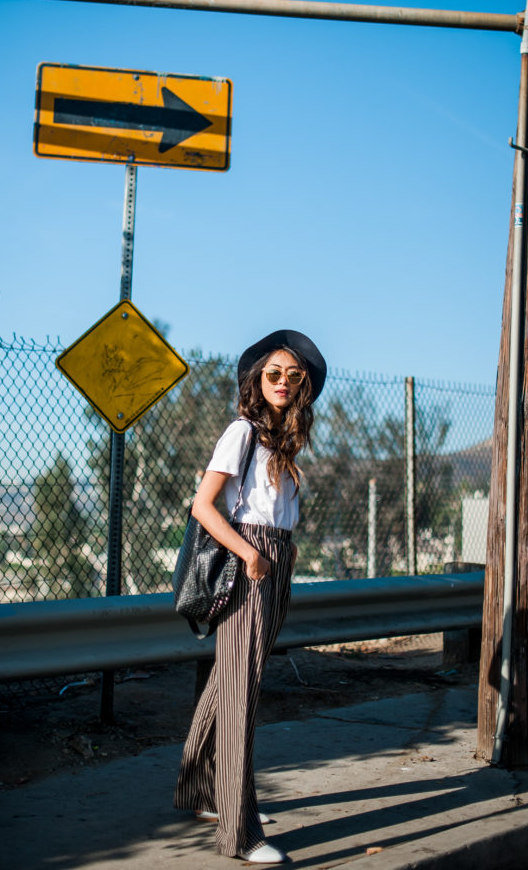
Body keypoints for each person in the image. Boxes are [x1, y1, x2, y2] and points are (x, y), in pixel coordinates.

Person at [174, 329, 327, 864]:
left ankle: (202, 791)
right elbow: (204, 507)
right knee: (242, 696)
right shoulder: (241, 431)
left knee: (229, 681)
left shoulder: (281, 439)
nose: (283, 382)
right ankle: (240, 834)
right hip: (251, 561)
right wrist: (251, 556)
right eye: (273, 374)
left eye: (294, 375)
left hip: (277, 557)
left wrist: (274, 559)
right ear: (256, 380)